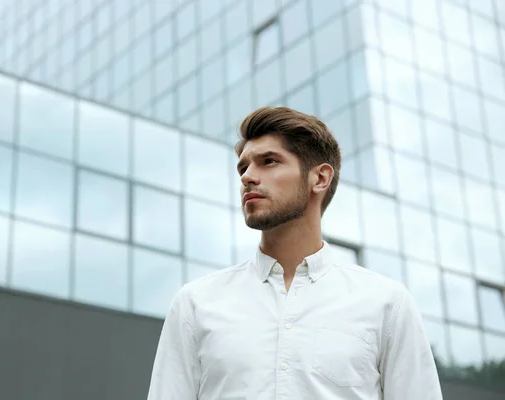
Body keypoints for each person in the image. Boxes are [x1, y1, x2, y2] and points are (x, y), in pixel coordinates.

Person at [147, 107, 442, 399]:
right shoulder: (196, 303)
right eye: (243, 167)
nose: (248, 176)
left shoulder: (386, 304)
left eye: (269, 161)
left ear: (320, 179)